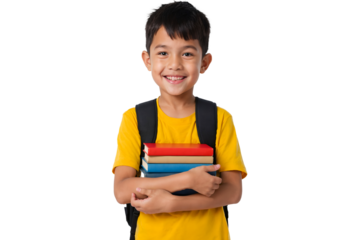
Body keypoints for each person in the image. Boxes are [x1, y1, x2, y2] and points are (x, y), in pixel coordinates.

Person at [111, 1, 248, 239]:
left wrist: (171, 204)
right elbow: (121, 192)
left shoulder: (220, 117)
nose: (174, 64)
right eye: (163, 52)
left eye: (187, 53)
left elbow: (234, 193)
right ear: (147, 60)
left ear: (204, 63)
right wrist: (186, 180)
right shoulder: (134, 118)